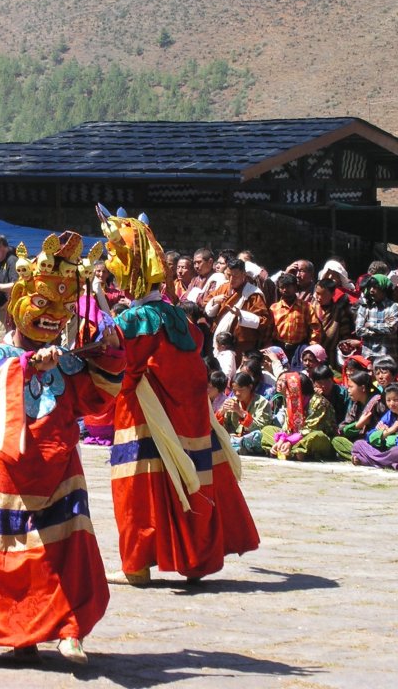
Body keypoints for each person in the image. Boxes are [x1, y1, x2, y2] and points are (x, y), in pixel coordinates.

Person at [0, 229, 124, 666]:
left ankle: (70, 629)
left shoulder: (68, 359)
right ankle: (21, 632)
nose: (53, 316)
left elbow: (99, 396)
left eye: (62, 307)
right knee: (11, 554)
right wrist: (22, 366)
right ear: (18, 305)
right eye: (42, 305)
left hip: (60, 469)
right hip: (6, 470)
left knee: (66, 549)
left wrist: (111, 353)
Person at [96, 206, 258, 586]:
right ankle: (194, 559)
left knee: (137, 487)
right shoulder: (179, 318)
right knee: (186, 480)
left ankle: (136, 564)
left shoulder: (135, 320)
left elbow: (118, 360)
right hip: (187, 416)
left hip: (145, 413)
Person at [350, 382, 398, 467]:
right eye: (388, 400)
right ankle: (389, 463)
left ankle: (366, 460)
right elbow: (370, 437)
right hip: (387, 452)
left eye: (395, 400)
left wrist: (384, 436)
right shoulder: (390, 414)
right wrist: (390, 431)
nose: (391, 404)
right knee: (358, 444)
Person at [203, 257, 271, 355]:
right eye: (229, 275)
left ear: (243, 274)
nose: (231, 280)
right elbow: (206, 304)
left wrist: (241, 314)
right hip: (220, 340)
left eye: (235, 276)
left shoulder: (253, 294)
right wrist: (214, 301)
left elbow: (263, 320)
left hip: (241, 343)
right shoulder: (223, 287)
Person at [354, 275, 398, 362]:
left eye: (375, 287)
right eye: (370, 287)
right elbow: (359, 330)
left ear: (384, 289)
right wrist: (380, 330)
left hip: (386, 356)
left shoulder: (393, 307)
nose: (371, 290)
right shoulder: (365, 307)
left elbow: (391, 328)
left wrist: (370, 325)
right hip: (368, 356)